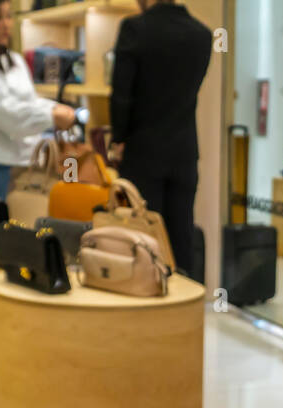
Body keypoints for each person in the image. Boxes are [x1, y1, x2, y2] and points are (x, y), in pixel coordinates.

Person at [110, 0, 213, 270]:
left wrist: (117, 140)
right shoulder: (202, 35)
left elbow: (121, 96)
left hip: (143, 153)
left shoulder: (134, 29)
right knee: (182, 238)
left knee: (142, 240)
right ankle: (184, 307)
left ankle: (145, 310)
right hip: (184, 154)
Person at [0, 0, 76, 200]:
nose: (6, 24)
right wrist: (51, 114)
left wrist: (56, 108)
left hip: (28, 162)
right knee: (2, 229)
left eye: (9, 16)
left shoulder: (14, 60)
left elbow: (29, 103)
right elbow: (6, 113)